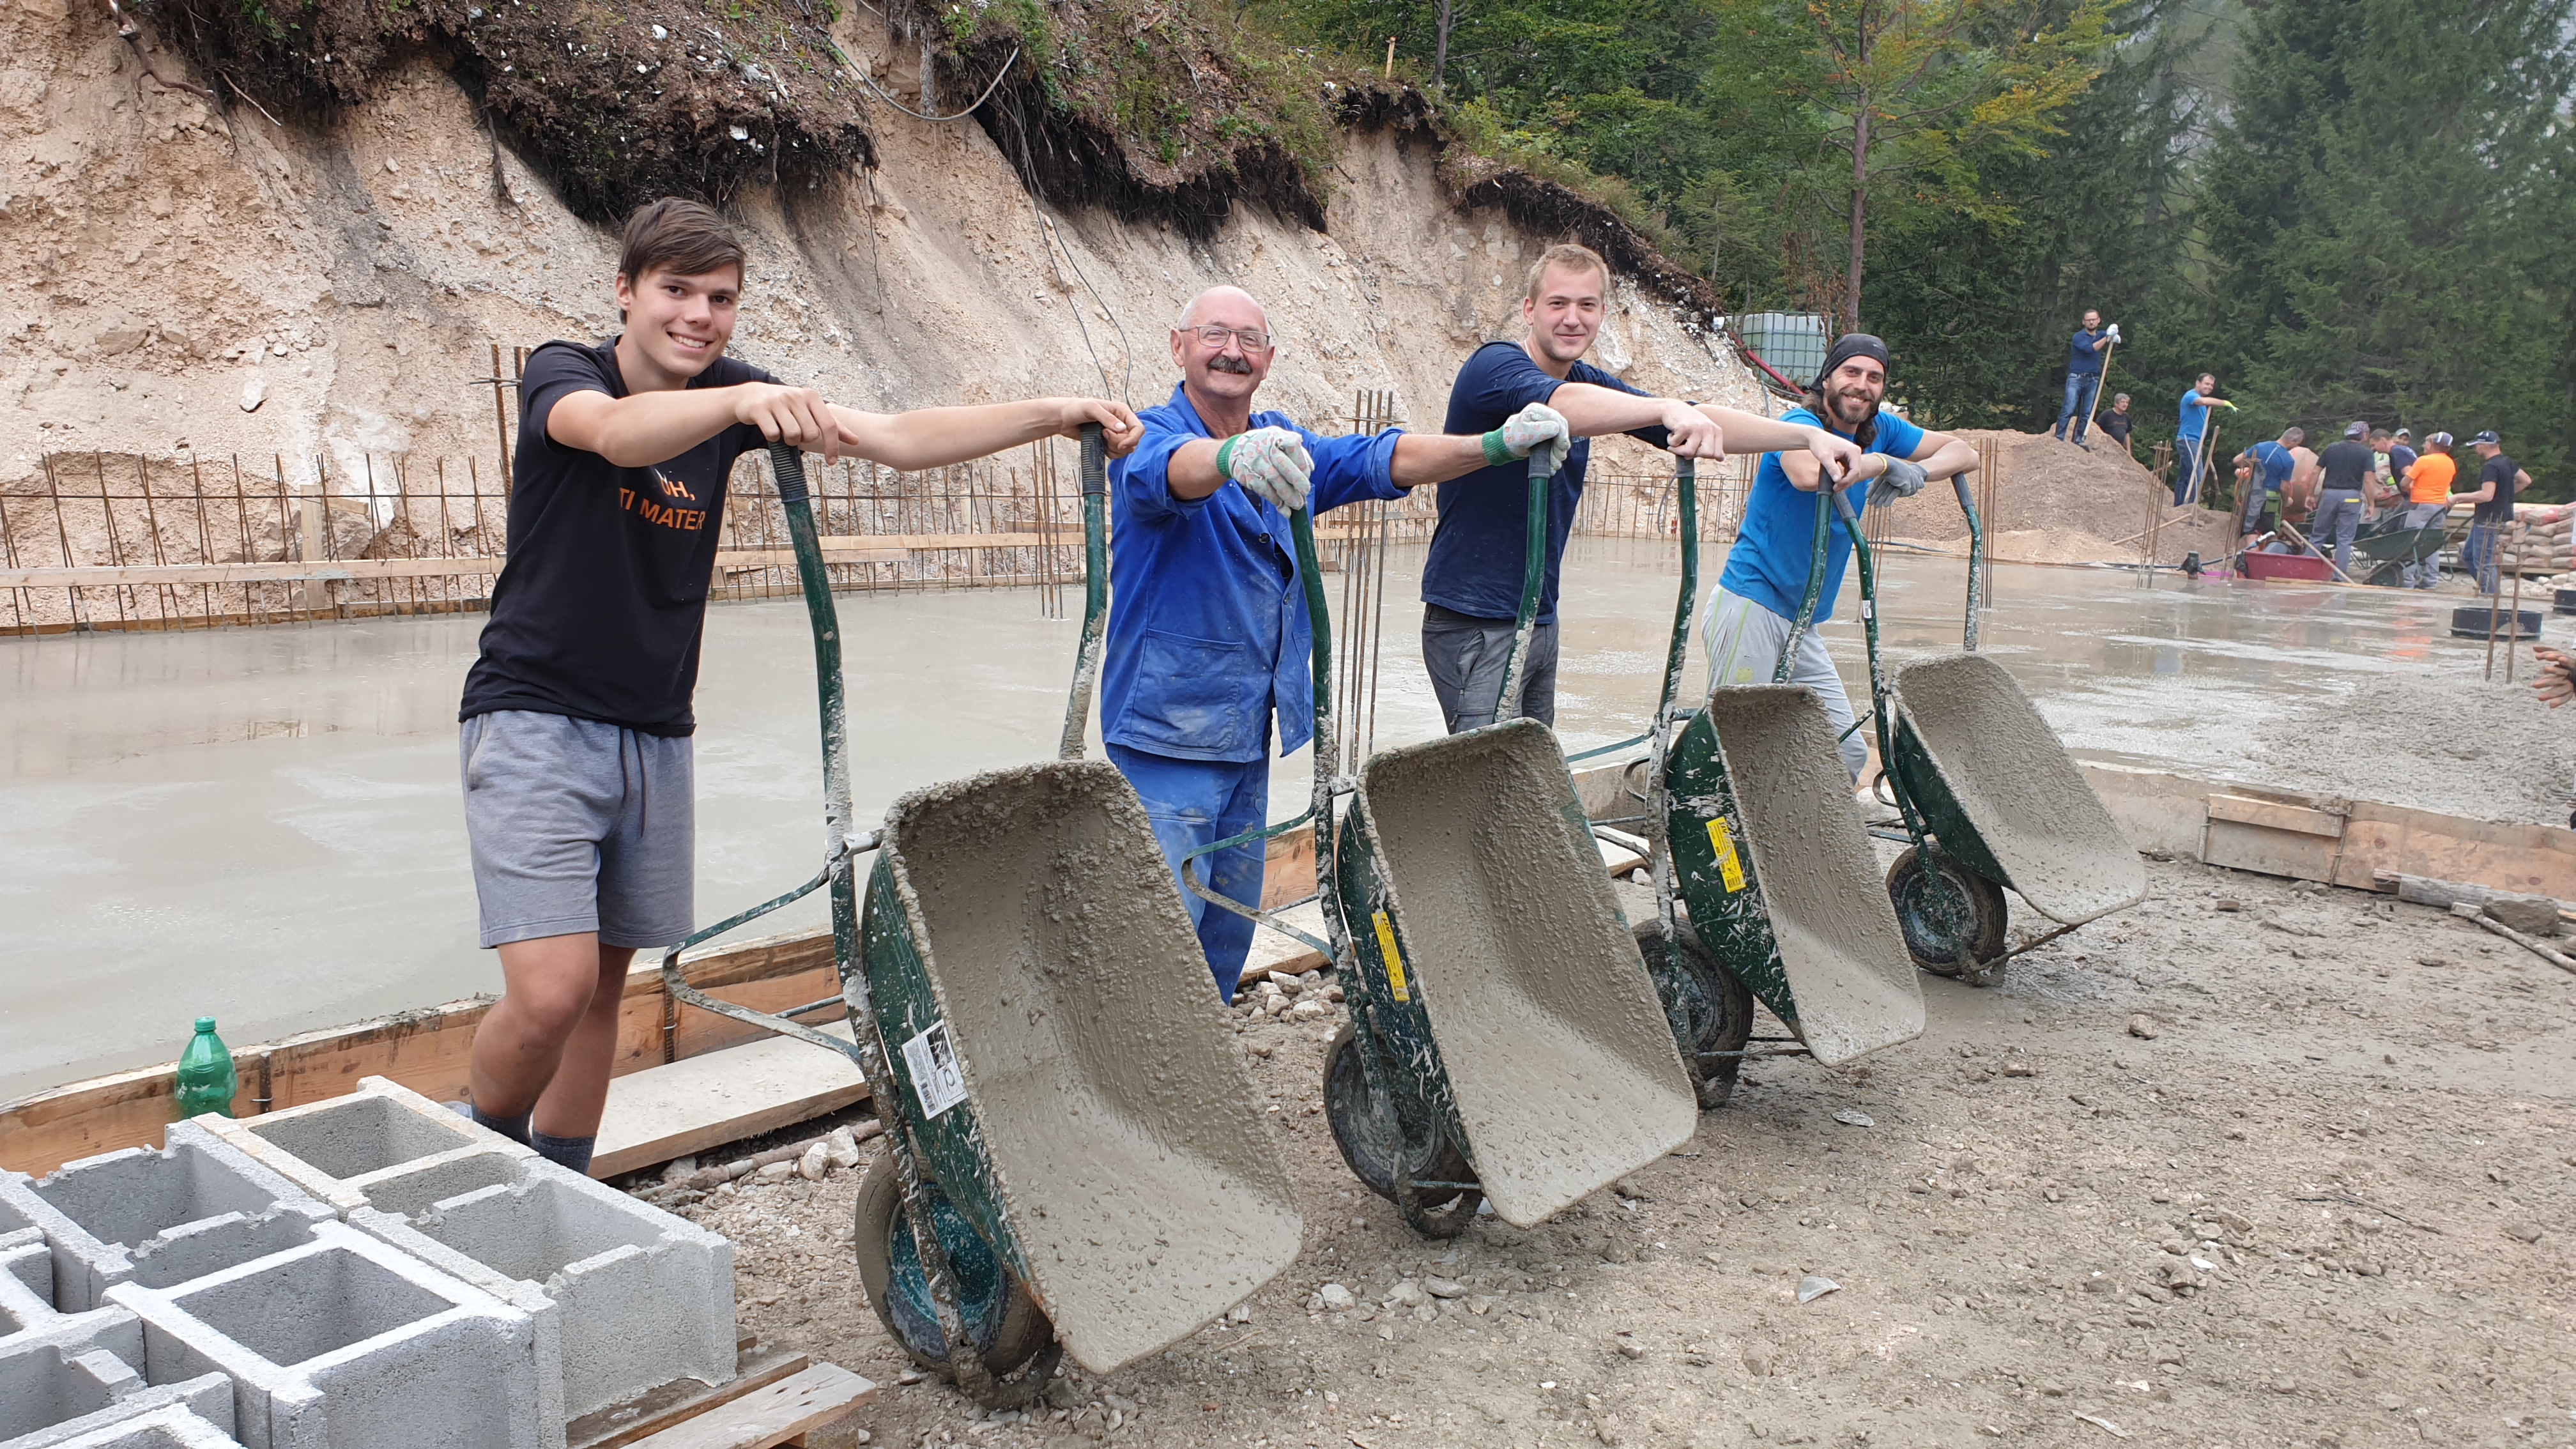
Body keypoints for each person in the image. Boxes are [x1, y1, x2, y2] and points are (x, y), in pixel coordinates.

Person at [455, 199, 1143, 1172]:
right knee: (551, 992)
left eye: (721, 298)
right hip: (534, 718)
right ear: (626, 292)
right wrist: (738, 406)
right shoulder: (568, 371)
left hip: (654, 730)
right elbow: (612, 434)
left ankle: (560, 1183)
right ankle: (480, 1162)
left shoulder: (731, 392)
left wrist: (1051, 412)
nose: (699, 316)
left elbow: (895, 436)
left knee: (608, 990)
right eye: (676, 291)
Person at [1105, 285, 1574, 1000]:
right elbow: (1168, 474)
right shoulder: (1152, 436)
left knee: (1223, 934)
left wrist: (1491, 447)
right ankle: (1138, 1084)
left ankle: (1192, 1085)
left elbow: (1379, 459)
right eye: (1214, 334)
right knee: (1158, 938)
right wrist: (1231, 456)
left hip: (1243, 735)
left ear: (1268, 360)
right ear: (1180, 346)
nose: (1232, 350)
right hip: (1167, 735)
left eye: (1249, 340)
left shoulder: (1282, 447)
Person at [1421, 243, 1863, 732]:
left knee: (1527, 770)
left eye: (1587, 306)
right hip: (1474, 618)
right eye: (1558, 304)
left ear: (1602, 314)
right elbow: (1561, 405)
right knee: (1485, 775)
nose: (1573, 318)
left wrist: (1804, 435)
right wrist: (1663, 410)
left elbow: (1697, 417)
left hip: (1538, 615)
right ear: (1529, 310)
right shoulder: (1495, 367)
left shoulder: (1588, 382)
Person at [1700, 334, 1979, 781]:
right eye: (1852, 372)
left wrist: (1916, 470)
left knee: (1846, 755)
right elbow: (1811, 475)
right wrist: (1879, 466)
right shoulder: (1798, 424)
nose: (1861, 386)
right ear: (1827, 377)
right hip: (1751, 605)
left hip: (1802, 621)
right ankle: (1713, 839)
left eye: (1874, 378)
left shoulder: (1880, 430)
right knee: (1733, 747)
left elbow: (1966, 453)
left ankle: (1797, 841)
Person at [2450, 430, 2533, 595]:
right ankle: (2486, 589)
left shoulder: (2491, 467)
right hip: (2497, 516)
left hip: (2488, 519)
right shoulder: (2507, 462)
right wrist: (2505, 496)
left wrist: (2457, 497)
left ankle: (2492, 596)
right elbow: (2526, 480)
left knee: (2483, 561)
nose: (2476, 450)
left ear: (2483, 446)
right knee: (2468, 556)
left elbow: (2486, 495)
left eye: (2477, 446)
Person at [2308, 421, 2375, 576]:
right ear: (2364, 435)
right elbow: (2369, 479)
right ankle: (2338, 576)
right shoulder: (2366, 454)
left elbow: (2315, 473)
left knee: (2318, 535)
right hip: (2351, 497)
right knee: (2345, 539)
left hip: (2329, 495)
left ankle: (2307, 571)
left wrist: (2310, 495)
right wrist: (2371, 503)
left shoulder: (2331, 448)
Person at [2398, 431, 2458, 588]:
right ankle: (2430, 581)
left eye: (2427, 443)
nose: (2424, 446)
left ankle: (2408, 581)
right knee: (2432, 544)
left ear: (2433, 444)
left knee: (2411, 542)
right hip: (2440, 507)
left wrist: (2412, 492)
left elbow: (2405, 482)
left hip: (2421, 505)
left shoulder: (2424, 461)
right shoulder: (2450, 463)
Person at [2052, 311, 2115, 447]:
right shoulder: (2078, 337)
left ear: (2099, 320)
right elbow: (2091, 349)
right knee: (2069, 409)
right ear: (2083, 322)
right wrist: (2108, 338)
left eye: (2094, 320)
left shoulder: (2101, 335)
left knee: (2086, 413)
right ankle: (2058, 439)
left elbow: (2111, 334)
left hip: (2092, 380)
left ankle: (2078, 440)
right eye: (2088, 320)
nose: (2091, 322)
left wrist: (2114, 335)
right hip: (2076, 378)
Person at [2235, 427, 2303, 549]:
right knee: (2271, 533)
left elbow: (2237, 460)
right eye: (2297, 444)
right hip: (2271, 500)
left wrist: (2250, 467)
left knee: (2252, 531)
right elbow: (2284, 486)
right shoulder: (2288, 459)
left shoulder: (2260, 447)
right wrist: (2286, 500)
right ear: (2292, 441)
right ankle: (2270, 561)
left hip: (2253, 496)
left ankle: (2252, 562)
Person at [2173, 373, 2234, 505]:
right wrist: (2225, 403)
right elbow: (2203, 401)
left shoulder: (2201, 402)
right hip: (2188, 440)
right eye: (2207, 384)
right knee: (2197, 476)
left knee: (2185, 476)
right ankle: (2191, 509)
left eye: (2212, 385)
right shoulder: (2191, 396)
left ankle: (2179, 507)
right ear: (2198, 383)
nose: (2210, 387)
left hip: (2195, 442)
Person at [2097, 392, 2135, 458]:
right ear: (2116, 403)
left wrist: (2129, 451)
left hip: (2119, 449)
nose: (2125, 404)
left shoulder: (2126, 417)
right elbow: (2096, 428)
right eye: (2123, 402)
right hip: (2106, 448)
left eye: (2127, 402)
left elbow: (2127, 433)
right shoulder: (2107, 414)